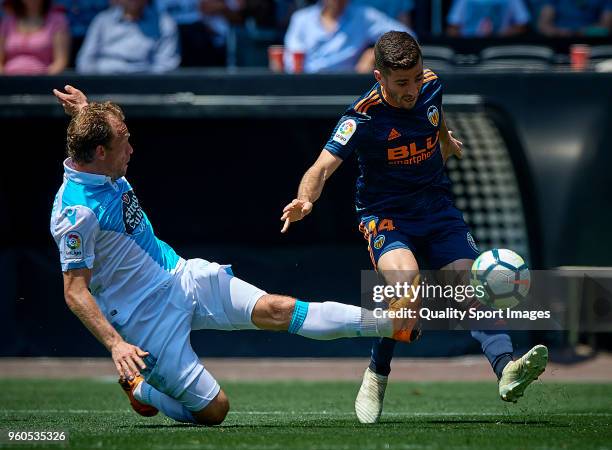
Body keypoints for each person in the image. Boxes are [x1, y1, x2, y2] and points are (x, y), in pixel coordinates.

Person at [50, 84, 419, 426]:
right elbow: (74, 292)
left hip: (180, 276)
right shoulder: (77, 214)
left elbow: (95, 137)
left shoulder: (100, 162)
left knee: (280, 308)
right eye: (124, 142)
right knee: (215, 411)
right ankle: (140, 388)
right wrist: (116, 344)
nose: (131, 149)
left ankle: (390, 325)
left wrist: (83, 110)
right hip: (144, 322)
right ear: (100, 152)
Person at [280, 31, 548, 424]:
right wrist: (306, 200)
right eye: (401, 83)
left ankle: (506, 368)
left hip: (436, 207)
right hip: (386, 215)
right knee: (407, 285)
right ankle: (377, 373)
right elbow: (321, 167)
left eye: (416, 77)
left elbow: (433, 117)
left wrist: (445, 140)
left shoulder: (431, 85)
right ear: (379, 78)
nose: (411, 89)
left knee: (471, 282)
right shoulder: (361, 117)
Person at [283, 0, 413, 73]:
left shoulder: (364, 16)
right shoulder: (301, 19)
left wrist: (374, 54)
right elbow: (291, 62)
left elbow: (407, 37)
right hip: (305, 89)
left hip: (347, 91)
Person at [76, 0, 180, 74]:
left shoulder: (164, 24)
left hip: (143, 88)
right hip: (102, 83)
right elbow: (85, 61)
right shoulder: (102, 20)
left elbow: (166, 65)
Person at [0, 0, 69, 75]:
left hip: (42, 80)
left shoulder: (57, 20)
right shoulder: (7, 21)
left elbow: (60, 62)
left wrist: (45, 81)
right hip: (8, 80)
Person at [446, 0, 530, 37]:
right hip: (469, 47)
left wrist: (506, 33)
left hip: (501, 46)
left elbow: (522, 24)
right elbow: (453, 27)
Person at [537, 0, 612, 37]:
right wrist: (559, 32)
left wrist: (580, 32)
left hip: (593, 41)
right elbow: (543, 25)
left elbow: (606, 27)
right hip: (559, 42)